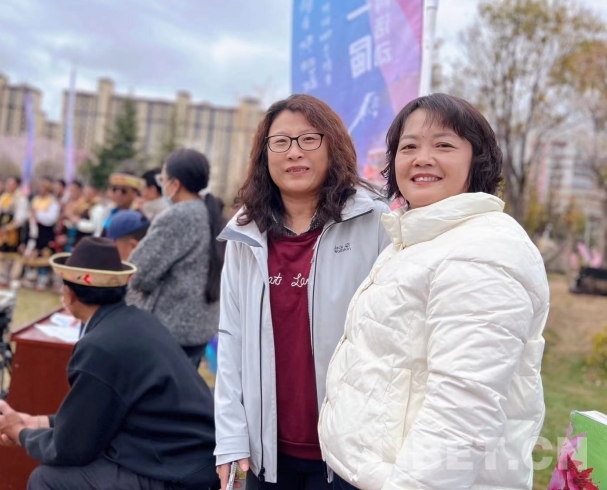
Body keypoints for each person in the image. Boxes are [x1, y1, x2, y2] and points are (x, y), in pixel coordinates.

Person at [319, 94, 550, 490]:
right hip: (368, 471)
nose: (422, 158)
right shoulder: (415, 240)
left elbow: (463, 411)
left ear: (477, 160)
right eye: (409, 147)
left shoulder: (484, 252)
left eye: (443, 145)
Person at [214, 94, 391, 489]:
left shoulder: (375, 222)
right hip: (267, 452)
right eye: (280, 142)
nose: (294, 152)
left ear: (333, 145)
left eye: (309, 139)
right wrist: (230, 439)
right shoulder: (246, 233)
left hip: (351, 452)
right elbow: (231, 340)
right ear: (265, 155)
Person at [0, 237, 218, 490]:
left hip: (176, 471)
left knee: (47, 480)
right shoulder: (140, 322)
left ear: (69, 294)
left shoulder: (100, 346)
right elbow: (95, 418)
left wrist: (20, 433)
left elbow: (71, 449)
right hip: (193, 457)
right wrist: (40, 423)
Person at [128, 149, 224, 368]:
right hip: (199, 326)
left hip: (170, 327)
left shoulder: (179, 216)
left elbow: (139, 273)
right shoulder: (210, 213)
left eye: (162, 179)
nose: (162, 185)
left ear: (175, 184)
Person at [22, 178, 60, 291]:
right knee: (33, 254)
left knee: (44, 256)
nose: (40, 190)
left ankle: (43, 279)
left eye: (42, 188)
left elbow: (51, 219)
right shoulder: (36, 200)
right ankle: (31, 278)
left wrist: (37, 214)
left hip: (45, 232)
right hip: (34, 231)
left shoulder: (53, 202)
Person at [0, 176, 28, 287]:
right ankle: (1, 274)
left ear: (17, 185)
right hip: (2, 226)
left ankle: (7, 275)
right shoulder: (4, 196)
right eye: (8, 183)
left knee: (10, 253)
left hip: (13, 229)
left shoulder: (20, 198)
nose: (8, 186)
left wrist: (10, 227)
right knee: (2, 252)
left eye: (11, 183)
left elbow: (21, 216)